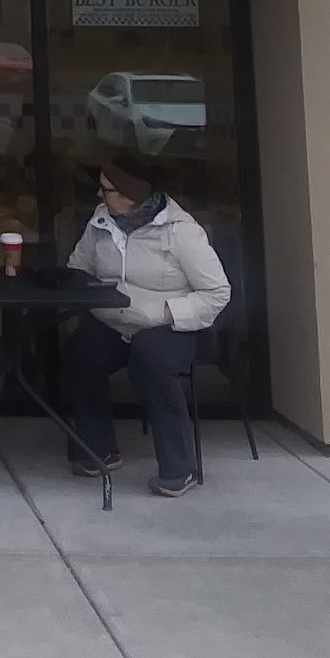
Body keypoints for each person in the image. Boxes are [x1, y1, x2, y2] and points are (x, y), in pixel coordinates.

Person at [63, 156, 231, 497]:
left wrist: (165, 313)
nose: (99, 194)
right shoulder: (100, 222)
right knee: (80, 351)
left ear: (132, 194)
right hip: (114, 321)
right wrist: (84, 292)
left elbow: (217, 293)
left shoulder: (181, 232)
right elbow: (77, 269)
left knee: (150, 358)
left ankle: (179, 467)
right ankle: (99, 449)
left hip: (176, 326)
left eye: (107, 189)